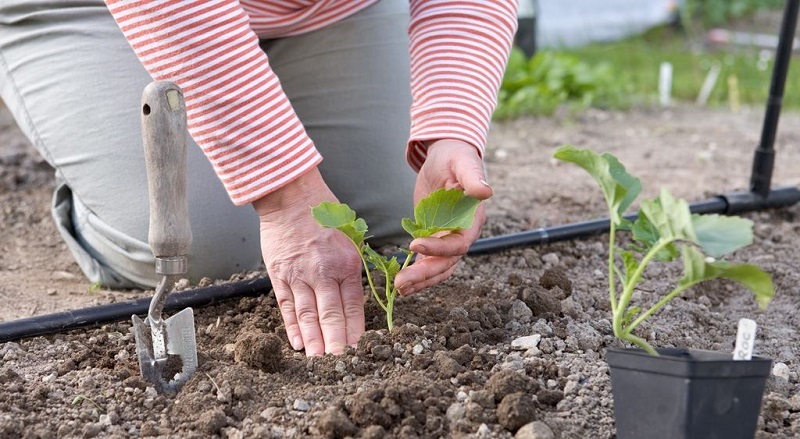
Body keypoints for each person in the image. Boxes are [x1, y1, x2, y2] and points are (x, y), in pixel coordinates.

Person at [0, 0, 518, 356]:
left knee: (395, 209)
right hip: (111, 10)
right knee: (202, 246)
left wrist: (452, 128)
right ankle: (97, 180)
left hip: (326, 14)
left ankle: (251, 94)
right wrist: (284, 194)